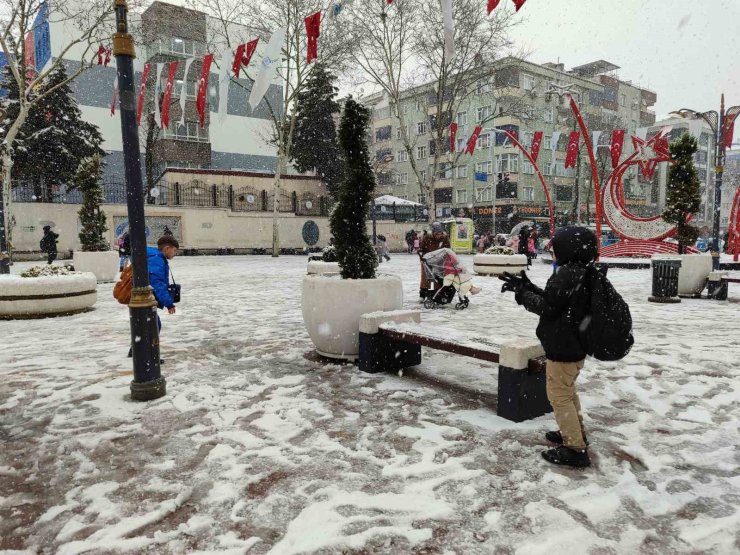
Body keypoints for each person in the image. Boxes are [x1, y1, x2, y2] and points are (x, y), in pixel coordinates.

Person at [499, 226, 598, 468]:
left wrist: (522, 294)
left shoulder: (567, 274)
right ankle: (575, 432)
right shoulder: (583, 271)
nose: (553, 253)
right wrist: (528, 286)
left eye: (556, 248)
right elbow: (556, 301)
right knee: (568, 390)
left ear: (567, 249)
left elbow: (547, 308)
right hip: (575, 344)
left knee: (559, 395)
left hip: (563, 346)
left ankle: (575, 447)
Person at [129, 235, 179, 361]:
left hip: (140, 296)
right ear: (167, 248)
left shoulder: (152, 256)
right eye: (174, 251)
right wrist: (169, 303)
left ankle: (136, 350)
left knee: (147, 324)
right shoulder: (156, 259)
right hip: (146, 297)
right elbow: (157, 283)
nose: (175, 254)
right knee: (153, 325)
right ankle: (148, 355)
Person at [419, 222, 451, 298]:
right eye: (437, 234)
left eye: (440, 233)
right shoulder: (427, 237)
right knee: (428, 278)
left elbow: (448, 249)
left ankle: (437, 293)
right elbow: (422, 248)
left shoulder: (444, 238)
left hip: (439, 261)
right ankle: (426, 292)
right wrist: (422, 255)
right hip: (427, 261)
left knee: (438, 277)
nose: (439, 235)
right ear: (433, 232)